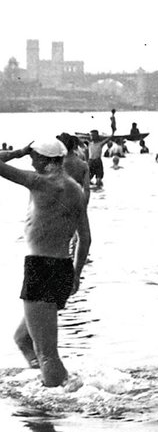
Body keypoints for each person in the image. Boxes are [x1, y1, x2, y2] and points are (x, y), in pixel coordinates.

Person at [0, 140, 90, 387]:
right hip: (62, 269)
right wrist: (76, 273)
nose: (30, 161)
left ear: (44, 160)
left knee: (47, 354)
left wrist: (17, 152)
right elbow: (85, 238)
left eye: (33, 157)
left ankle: (58, 399)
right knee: (22, 339)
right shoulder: (75, 190)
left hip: (40, 268)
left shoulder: (39, 182)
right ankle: (53, 385)